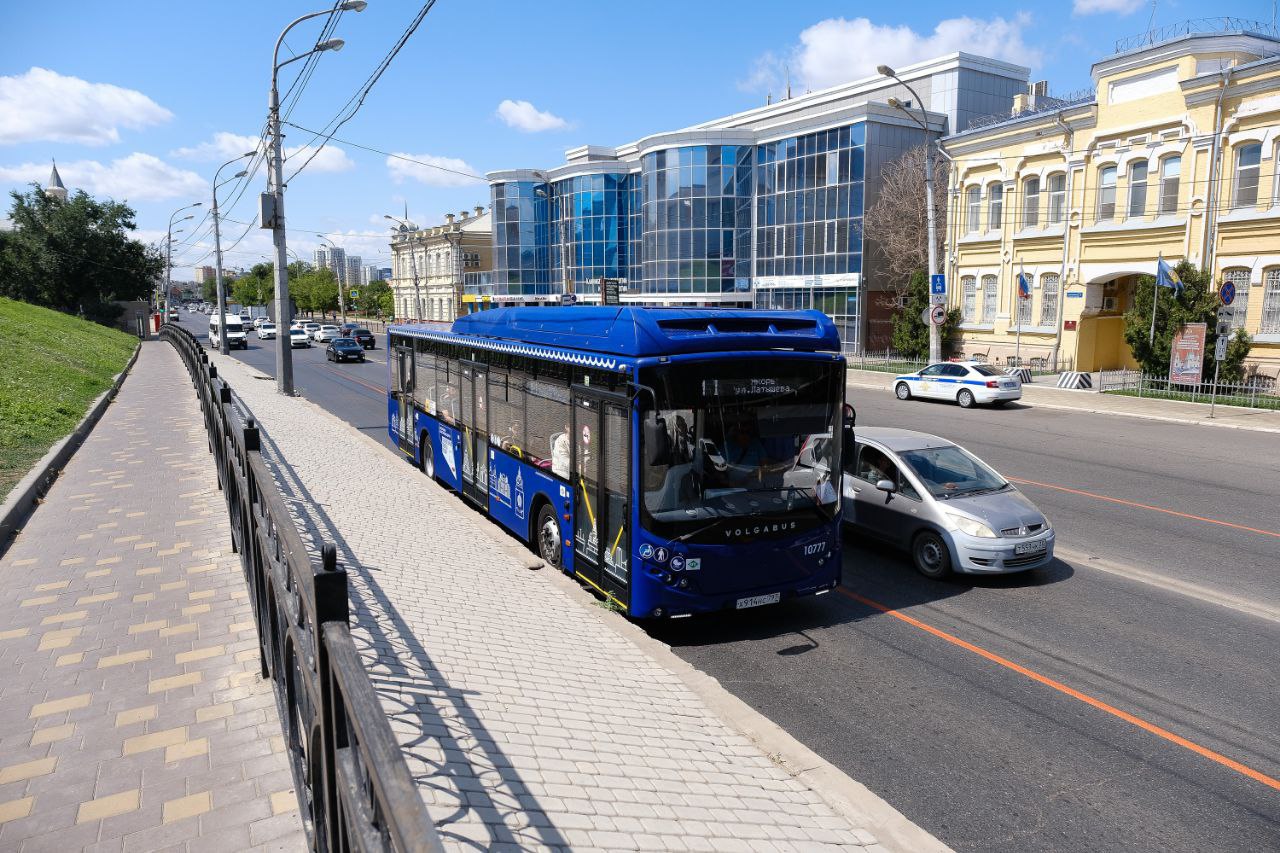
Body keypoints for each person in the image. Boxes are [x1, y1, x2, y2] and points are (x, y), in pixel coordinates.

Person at [724, 422, 767, 487]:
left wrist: (759, 477)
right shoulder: (727, 446)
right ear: (735, 433)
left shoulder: (756, 444)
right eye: (742, 432)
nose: (745, 435)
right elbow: (718, 469)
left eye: (747, 432)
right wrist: (728, 482)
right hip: (732, 488)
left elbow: (764, 465)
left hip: (754, 485)